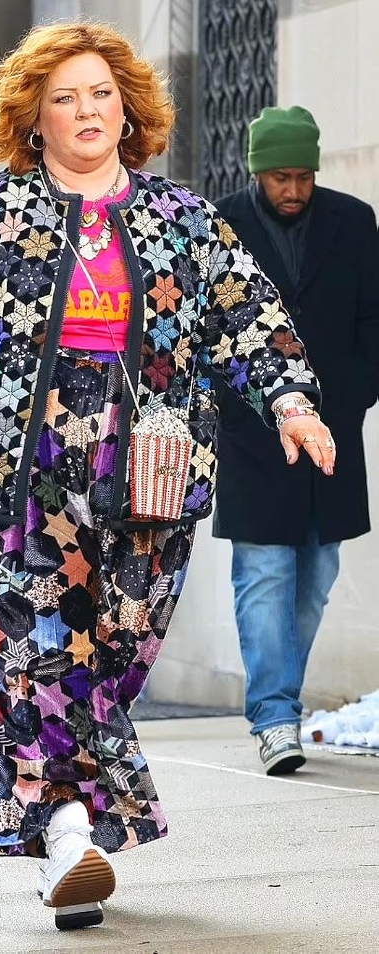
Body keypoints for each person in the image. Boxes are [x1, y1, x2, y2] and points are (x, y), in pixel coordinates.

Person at [0, 27, 334, 931]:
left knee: (110, 654)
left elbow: (245, 315)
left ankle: (63, 832)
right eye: (66, 97)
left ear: (127, 110)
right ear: (33, 117)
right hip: (9, 462)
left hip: (143, 465)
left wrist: (290, 402)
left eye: (102, 94)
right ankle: (70, 836)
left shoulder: (182, 217)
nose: (87, 111)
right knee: (25, 640)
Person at [213, 105, 379, 777]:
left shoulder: (354, 221)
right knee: (263, 575)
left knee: (315, 579)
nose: (292, 189)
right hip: (253, 436)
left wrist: (353, 394)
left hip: (333, 431)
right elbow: (207, 325)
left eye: (303, 176)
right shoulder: (221, 223)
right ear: (257, 172)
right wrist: (233, 409)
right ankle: (275, 717)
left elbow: (372, 317)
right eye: (280, 176)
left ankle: (280, 699)